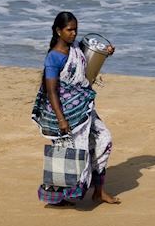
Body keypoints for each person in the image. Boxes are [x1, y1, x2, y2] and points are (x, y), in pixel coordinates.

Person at [31, 11, 120, 206]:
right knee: (70, 155)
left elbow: (90, 62)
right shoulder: (54, 58)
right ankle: (58, 197)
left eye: (75, 30)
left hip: (84, 108)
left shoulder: (76, 50)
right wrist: (62, 120)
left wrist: (106, 52)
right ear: (58, 31)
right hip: (65, 113)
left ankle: (98, 191)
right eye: (69, 30)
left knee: (104, 140)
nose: (73, 33)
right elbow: (52, 91)